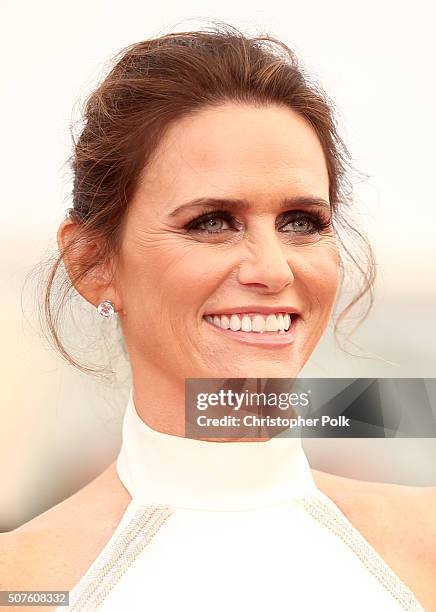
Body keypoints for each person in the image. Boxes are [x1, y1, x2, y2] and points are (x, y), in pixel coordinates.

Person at [1, 23, 434, 612]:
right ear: (93, 262)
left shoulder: (425, 547)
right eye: (211, 222)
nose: (273, 269)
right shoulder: (23, 585)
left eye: (301, 223)